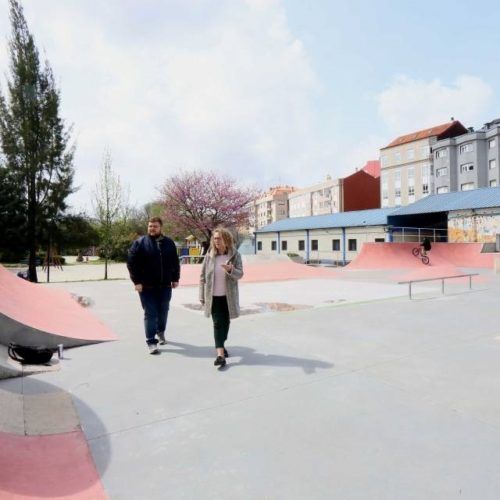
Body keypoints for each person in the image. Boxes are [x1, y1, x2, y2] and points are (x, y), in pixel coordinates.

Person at [127, 217, 180, 354]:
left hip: (165, 286)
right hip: (146, 287)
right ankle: (151, 341)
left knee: (163, 311)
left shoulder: (169, 243)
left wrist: (175, 278)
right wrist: (136, 282)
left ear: (161, 227)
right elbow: (131, 263)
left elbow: (175, 262)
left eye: (155, 226)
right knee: (150, 314)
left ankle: (160, 332)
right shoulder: (139, 243)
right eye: (150, 226)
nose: (152, 228)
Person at [199, 227, 243, 368]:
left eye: (218, 238)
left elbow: (240, 274)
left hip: (228, 297)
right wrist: (201, 295)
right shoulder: (210, 255)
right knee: (217, 324)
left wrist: (231, 270)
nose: (216, 240)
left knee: (226, 324)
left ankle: (221, 344)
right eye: (214, 238)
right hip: (213, 297)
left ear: (226, 239)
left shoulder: (235, 255)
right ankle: (220, 355)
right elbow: (202, 277)